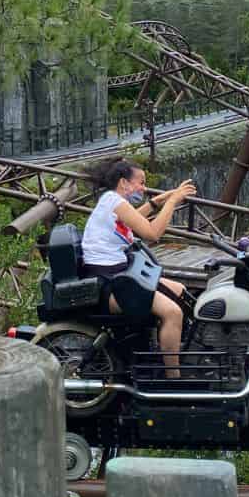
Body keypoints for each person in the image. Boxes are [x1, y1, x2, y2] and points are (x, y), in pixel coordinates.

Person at [80, 157, 196, 375]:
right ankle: (174, 377)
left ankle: (173, 349)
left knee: (180, 291)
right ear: (124, 183)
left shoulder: (112, 201)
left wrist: (164, 198)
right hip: (108, 281)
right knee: (173, 312)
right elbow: (153, 233)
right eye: (140, 182)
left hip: (119, 272)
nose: (143, 188)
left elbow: (134, 218)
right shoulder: (115, 202)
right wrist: (172, 202)